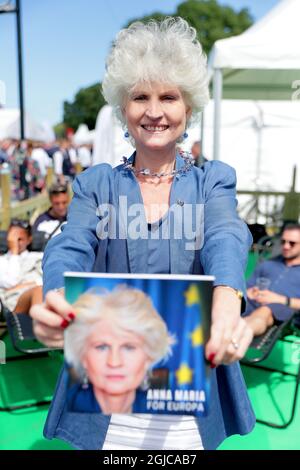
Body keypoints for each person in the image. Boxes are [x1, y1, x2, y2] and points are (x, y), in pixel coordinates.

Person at [30, 18, 255, 450]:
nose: (154, 111)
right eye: (140, 97)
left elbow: (226, 234)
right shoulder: (94, 184)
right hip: (108, 403)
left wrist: (228, 297)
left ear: (188, 107)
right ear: (123, 107)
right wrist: (54, 293)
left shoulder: (214, 182)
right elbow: (70, 243)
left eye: (168, 96)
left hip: (189, 399)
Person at [65, 287, 173, 414]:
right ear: (83, 357)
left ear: (148, 358)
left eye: (129, 347)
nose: (114, 362)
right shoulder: (67, 407)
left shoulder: (164, 411)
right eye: (101, 347)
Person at [244, 224, 300, 336]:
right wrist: (249, 292)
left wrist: (280, 299)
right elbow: (246, 287)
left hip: (283, 312)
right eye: (283, 242)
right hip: (252, 304)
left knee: (266, 310)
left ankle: (239, 335)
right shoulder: (268, 264)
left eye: (292, 243)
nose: (286, 246)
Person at [0, 219, 43, 312]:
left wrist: (29, 284)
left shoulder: (38, 257)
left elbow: (50, 279)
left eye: (20, 239)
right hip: (14, 303)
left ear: (29, 240)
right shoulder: (2, 261)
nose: (15, 243)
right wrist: (14, 252)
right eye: (12, 239)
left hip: (39, 295)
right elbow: (11, 282)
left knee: (40, 290)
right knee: (38, 291)